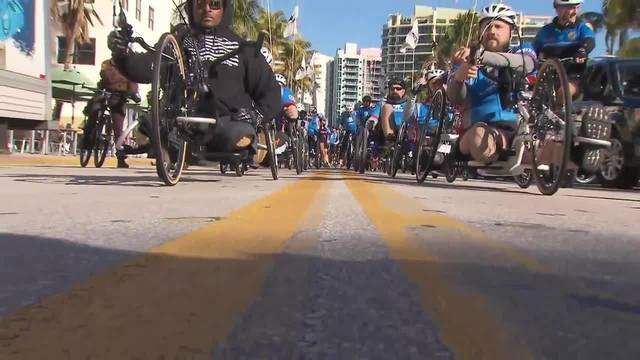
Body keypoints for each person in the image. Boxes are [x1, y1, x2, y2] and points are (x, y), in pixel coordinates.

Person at [107, 0, 280, 161]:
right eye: (200, 3)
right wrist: (122, 54)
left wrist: (256, 116)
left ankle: (210, 148)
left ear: (225, 8)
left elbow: (270, 92)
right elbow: (147, 68)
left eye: (214, 3)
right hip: (181, 120)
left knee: (239, 133)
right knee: (148, 125)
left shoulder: (244, 49)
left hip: (226, 122)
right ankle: (177, 147)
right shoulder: (178, 41)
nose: (207, 9)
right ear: (191, 7)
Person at [447, 3, 537, 164]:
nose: (492, 31)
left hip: (522, 130)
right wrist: (459, 76)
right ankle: (502, 158)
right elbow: (454, 97)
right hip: (482, 129)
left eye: (498, 26)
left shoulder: (522, 51)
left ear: (511, 32)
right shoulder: (465, 61)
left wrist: (481, 56)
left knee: (555, 146)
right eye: (487, 26)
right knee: (478, 137)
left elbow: (527, 64)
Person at [533, 0, 595, 99]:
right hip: (548, 78)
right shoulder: (545, 31)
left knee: (565, 92)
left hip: (573, 77)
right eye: (565, 8)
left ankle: (559, 112)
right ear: (556, 8)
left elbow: (590, 41)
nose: (570, 11)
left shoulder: (582, 28)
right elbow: (532, 51)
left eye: (573, 7)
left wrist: (582, 51)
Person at [84, 58, 140, 168]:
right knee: (93, 112)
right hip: (105, 92)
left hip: (119, 97)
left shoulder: (129, 66)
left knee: (118, 128)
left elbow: (133, 82)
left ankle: (121, 158)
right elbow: (105, 77)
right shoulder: (106, 64)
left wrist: (133, 93)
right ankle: (87, 141)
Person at [379, 78, 410, 147]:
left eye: (398, 89)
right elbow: (374, 117)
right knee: (387, 107)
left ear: (403, 91)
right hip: (387, 133)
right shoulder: (382, 103)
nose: (395, 91)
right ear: (389, 91)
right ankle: (390, 141)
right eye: (392, 89)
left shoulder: (409, 104)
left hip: (406, 131)